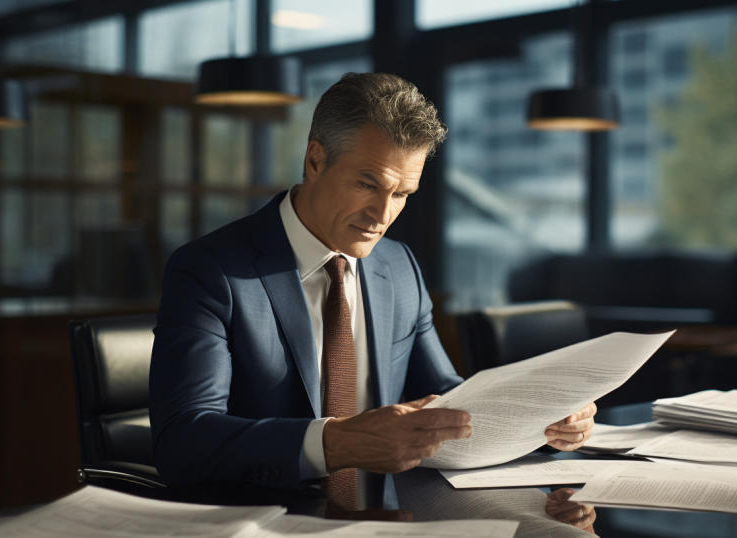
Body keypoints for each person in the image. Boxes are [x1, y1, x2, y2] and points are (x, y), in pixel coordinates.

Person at [149, 72, 596, 511]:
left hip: (391, 518)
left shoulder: (399, 267)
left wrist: (540, 420)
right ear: (315, 160)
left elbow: (446, 397)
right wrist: (335, 443)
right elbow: (185, 439)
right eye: (367, 184)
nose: (382, 215)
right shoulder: (211, 271)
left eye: (403, 193)